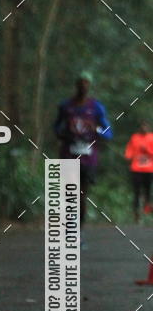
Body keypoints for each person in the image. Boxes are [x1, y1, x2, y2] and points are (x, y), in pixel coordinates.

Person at [53, 70, 113, 224]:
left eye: (86, 83)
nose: (83, 85)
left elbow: (108, 133)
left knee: (81, 195)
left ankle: (78, 231)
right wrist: (63, 133)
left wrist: (96, 130)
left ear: (90, 86)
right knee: (69, 194)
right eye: (81, 82)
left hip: (88, 158)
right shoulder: (66, 106)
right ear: (76, 85)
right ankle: (70, 229)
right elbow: (56, 128)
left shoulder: (96, 108)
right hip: (68, 155)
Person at [124, 121, 153, 221]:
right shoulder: (135, 137)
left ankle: (147, 209)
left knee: (147, 191)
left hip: (149, 169)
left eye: (146, 126)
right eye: (142, 126)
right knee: (137, 191)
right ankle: (136, 212)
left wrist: (147, 150)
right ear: (140, 128)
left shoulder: (151, 138)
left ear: (148, 128)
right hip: (136, 168)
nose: (144, 128)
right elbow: (129, 149)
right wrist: (128, 156)